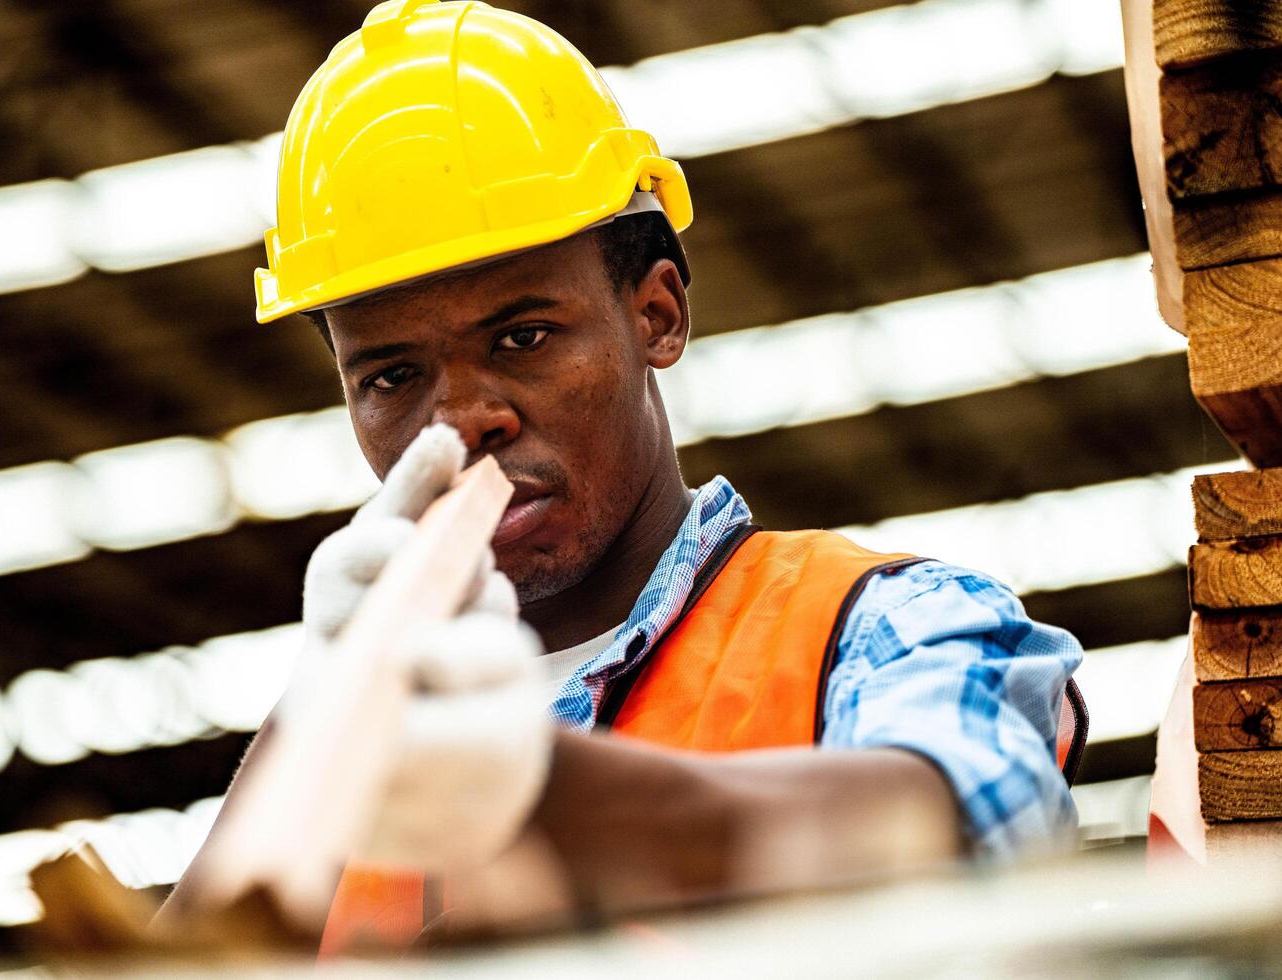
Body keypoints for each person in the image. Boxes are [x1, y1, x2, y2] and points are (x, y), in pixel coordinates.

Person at [163, 0, 1085, 950]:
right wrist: (319, 720)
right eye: (392, 376)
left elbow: (981, 832)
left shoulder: (886, 623)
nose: (462, 420)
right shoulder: (339, 742)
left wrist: (532, 787)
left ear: (656, 315)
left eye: (522, 337)